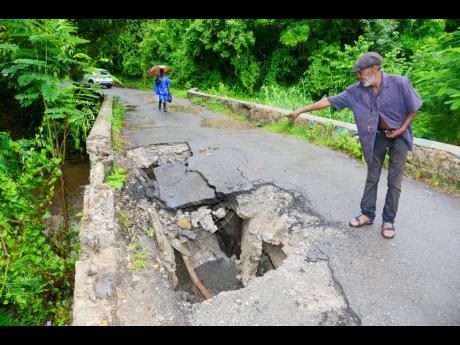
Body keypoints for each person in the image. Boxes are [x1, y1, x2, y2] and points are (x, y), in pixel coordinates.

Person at [286, 52, 422, 239]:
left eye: (361, 72)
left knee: (394, 181)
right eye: (356, 73)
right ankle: (367, 214)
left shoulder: (400, 83)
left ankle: (389, 220)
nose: (358, 76)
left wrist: (401, 130)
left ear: (375, 69)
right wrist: (299, 111)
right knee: (372, 176)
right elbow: (328, 101)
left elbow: (413, 109)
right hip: (376, 136)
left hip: (400, 135)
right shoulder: (356, 91)